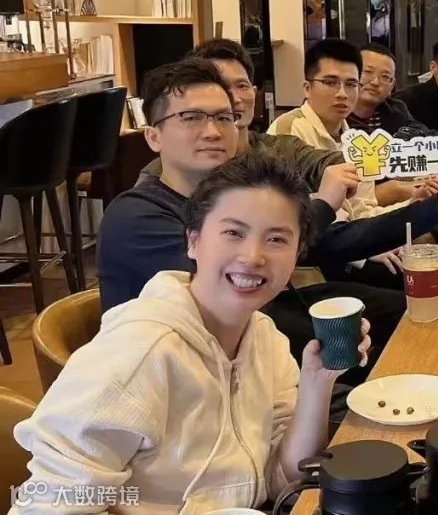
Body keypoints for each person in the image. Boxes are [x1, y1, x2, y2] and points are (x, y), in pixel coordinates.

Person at [13, 155, 375, 515]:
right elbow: (47, 505)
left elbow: (285, 477)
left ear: (297, 255)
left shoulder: (266, 339)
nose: (253, 257)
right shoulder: (138, 353)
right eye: (233, 233)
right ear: (193, 241)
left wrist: (317, 382)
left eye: (277, 239)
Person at [98, 59, 438, 358]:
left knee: (426, 316)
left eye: (224, 117)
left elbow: (334, 241)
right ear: (153, 136)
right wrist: (320, 206)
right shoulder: (136, 217)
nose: (213, 130)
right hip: (201, 368)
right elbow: (227, 305)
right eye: (191, 117)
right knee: (395, 337)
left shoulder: (233, 193)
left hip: (266, 325)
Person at [142, 38, 340, 193]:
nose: (234, 99)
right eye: (222, 87)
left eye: (242, 86)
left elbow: (330, 163)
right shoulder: (170, 174)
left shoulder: (281, 149)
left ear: (254, 92)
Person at [269, 39, 435, 219]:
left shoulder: (357, 141)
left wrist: (412, 205)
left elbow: (363, 213)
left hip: (348, 233)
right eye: (330, 82)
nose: (342, 93)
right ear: (307, 89)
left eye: (351, 84)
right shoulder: (288, 129)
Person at [346, 42, 430, 137]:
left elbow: (428, 137)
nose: (375, 82)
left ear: (392, 86)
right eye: (368, 72)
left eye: (385, 76)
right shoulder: (335, 109)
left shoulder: (397, 110)